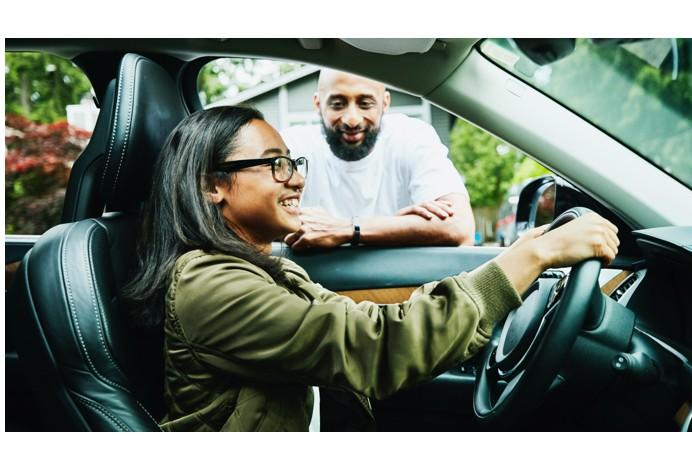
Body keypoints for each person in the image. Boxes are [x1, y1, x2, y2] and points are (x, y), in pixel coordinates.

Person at [124, 106, 620, 432]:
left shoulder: (261, 268)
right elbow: (373, 346)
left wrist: (513, 267)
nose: (296, 178)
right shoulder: (211, 283)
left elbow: (354, 322)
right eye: (276, 164)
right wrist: (528, 258)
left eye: (293, 162)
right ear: (214, 185)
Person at [280, 69, 476, 250]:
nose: (352, 120)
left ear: (384, 103)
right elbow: (254, 224)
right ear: (318, 104)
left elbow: (460, 227)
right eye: (338, 104)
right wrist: (402, 226)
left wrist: (346, 229)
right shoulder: (292, 145)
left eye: (365, 104)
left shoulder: (412, 136)